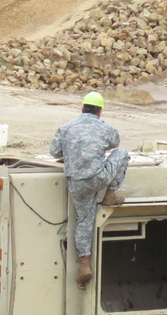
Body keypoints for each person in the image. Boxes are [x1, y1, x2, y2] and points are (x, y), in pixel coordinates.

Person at [50, 92, 130, 286]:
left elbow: (54, 152)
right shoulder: (104, 128)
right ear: (100, 112)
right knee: (122, 154)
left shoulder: (66, 128)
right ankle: (110, 195)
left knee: (84, 219)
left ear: (82, 109)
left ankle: (84, 264)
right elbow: (115, 144)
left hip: (77, 183)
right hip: (99, 177)